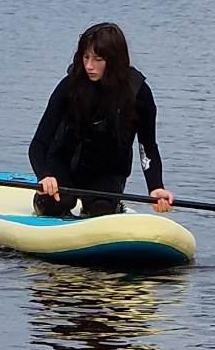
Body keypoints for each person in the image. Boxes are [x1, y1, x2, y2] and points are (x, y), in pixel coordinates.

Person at [29, 22, 175, 218]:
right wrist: (44, 176)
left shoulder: (139, 93)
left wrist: (156, 186)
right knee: (54, 205)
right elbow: (39, 143)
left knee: (101, 210)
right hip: (63, 165)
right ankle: (48, 202)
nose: (89, 66)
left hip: (107, 171)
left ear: (114, 60)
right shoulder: (70, 86)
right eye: (86, 57)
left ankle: (108, 206)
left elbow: (147, 146)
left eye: (98, 59)